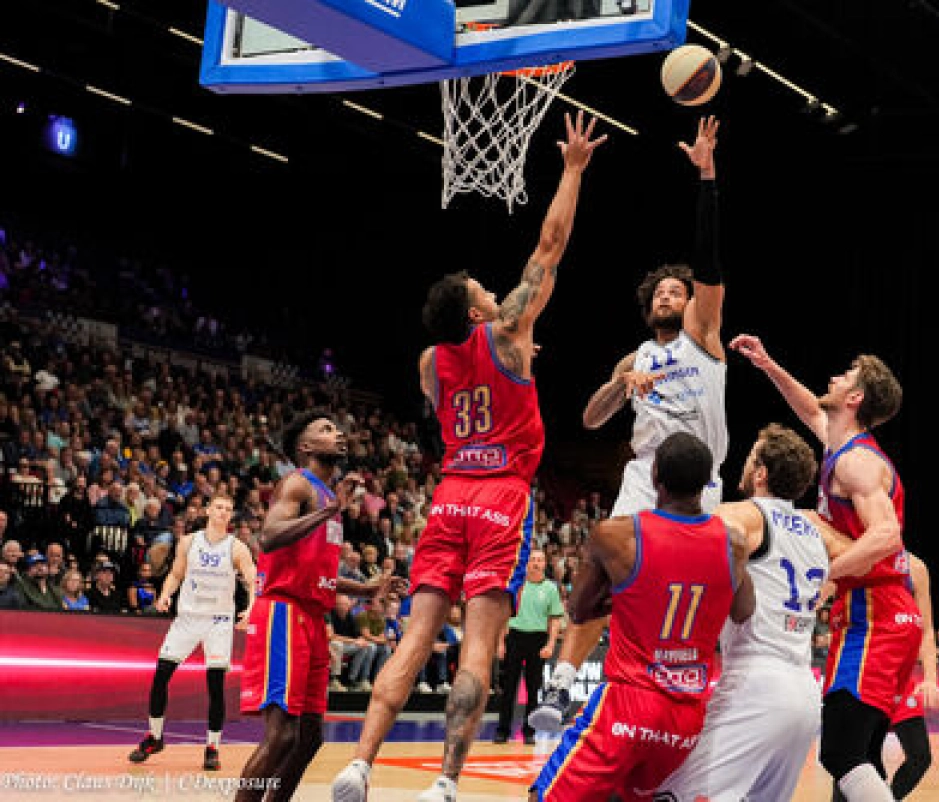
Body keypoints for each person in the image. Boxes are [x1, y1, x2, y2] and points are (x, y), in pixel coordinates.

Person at [332, 112, 606, 802]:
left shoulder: (430, 360)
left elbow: (458, 384)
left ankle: (359, 764)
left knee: (415, 637)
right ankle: (446, 783)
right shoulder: (510, 333)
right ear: (483, 313)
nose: (493, 287)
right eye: (485, 290)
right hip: (500, 498)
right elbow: (550, 244)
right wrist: (572, 168)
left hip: (448, 495)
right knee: (477, 647)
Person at [533, 116, 727, 731]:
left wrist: (705, 172)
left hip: (702, 478)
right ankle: (561, 685)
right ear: (650, 305)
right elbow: (590, 420)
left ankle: (707, 688)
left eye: (680, 289)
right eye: (664, 291)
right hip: (645, 475)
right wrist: (621, 382)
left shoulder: (703, 335)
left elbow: (709, 259)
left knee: (702, 589)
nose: (672, 294)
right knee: (601, 554)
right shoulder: (636, 357)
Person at [728, 335, 917, 802]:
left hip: (878, 614)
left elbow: (886, 536)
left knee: (841, 753)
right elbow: (809, 408)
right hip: (871, 613)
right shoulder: (840, 444)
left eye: (845, 375)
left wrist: (829, 578)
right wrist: (769, 365)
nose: (833, 377)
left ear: (854, 398)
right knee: (858, 758)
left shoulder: (857, 463)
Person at [529, 433, 754, 801]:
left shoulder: (618, 536)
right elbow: (744, 612)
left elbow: (579, 610)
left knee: (546, 796)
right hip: (686, 715)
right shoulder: (734, 543)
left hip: (629, 701)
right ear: (706, 484)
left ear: (654, 477)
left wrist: (626, 597)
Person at [658, 424, 839, 802]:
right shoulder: (815, 531)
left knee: (674, 795)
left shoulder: (744, 514)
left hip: (756, 682)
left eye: (750, 459)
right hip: (805, 693)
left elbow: (692, 537)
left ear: (760, 474)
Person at [235, 411, 399, 802]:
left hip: (312, 617)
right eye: (326, 429)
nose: (338, 433)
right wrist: (329, 511)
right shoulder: (297, 483)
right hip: (283, 612)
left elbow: (319, 573)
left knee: (308, 739)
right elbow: (270, 537)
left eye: (337, 428)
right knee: (282, 735)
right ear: (306, 446)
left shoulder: (327, 497)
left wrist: (367, 588)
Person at [128, 494, 256, 771]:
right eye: (219, 507)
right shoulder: (189, 542)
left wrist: (251, 608)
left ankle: (212, 747)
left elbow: (251, 579)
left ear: (231, 516)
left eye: (228, 509)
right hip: (187, 618)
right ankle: (155, 737)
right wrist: (164, 596)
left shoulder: (237, 548)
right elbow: (176, 574)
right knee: (161, 675)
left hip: (219, 621)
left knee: (215, 685)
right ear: (209, 510)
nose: (223, 512)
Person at [831, 553, 939, 802]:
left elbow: (927, 628)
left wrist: (931, 677)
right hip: (865, 674)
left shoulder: (915, 567)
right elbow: (819, 591)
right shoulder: (853, 555)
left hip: (900, 681)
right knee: (857, 760)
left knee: (920, 756)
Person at [493, 548, 564, 745]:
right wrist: (500, 642)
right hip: (514, 637)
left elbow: (555, 619)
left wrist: (550, 644)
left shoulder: (550, 588)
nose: (535, 563)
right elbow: (503, 616)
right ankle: (502, 730)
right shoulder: (517, 585)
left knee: (533, 689)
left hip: (538, 639)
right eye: (532, 559)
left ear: (544, 564)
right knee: (508, 688)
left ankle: (529, 732)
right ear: (526, 563)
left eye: (540, 560)